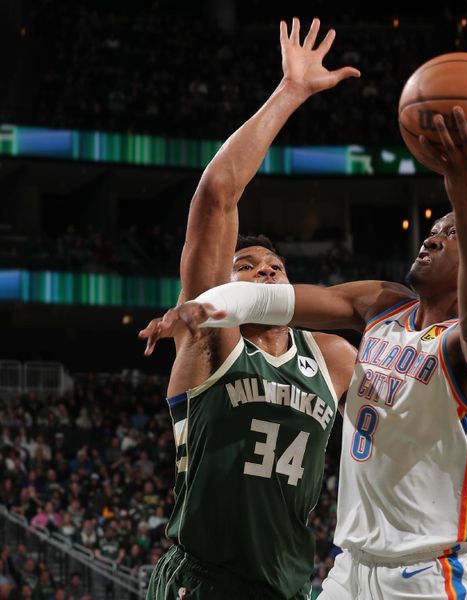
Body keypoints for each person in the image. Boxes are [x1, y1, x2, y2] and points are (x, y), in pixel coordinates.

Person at [143, 103, 467, 598]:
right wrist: (209, 304)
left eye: (449, 235)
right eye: (435, 228)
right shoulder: (381, 306)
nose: (431, 237)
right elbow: (281, 297)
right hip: (348, 568)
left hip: (431, 571)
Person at [140, 18, 360, 600]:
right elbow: (218, 197)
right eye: (247, 265)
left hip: (288, 585)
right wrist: (291, 91)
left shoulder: (334, 357)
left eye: (274, 266)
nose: (264, 269)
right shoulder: (210, 336)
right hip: (205, 581)